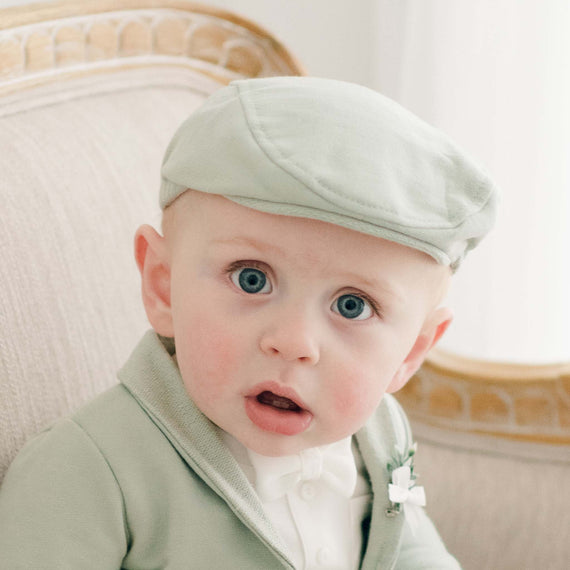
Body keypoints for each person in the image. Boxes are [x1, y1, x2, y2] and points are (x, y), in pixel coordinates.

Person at [0, 77, 498, 569]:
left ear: (410, 352)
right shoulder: (88, 469)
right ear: (162, 286)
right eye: (252, 279)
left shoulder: (381, 433)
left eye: (353, 306)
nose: (293, 342)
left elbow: (411, 552)